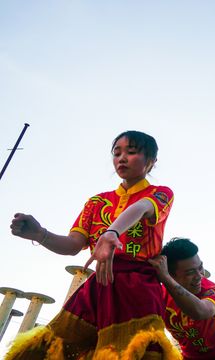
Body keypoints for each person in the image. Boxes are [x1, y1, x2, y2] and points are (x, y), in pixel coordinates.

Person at [7, 130, 180, 360]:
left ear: (151, 161)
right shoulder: (97, 202)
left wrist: (111, 233)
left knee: (132, 352)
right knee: (53, 349)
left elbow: (141, 209)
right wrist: (40, 234)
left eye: (131, 152)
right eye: (117, 153)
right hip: (98, 286)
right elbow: (72, 245)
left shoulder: (160, 194)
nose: (122, 158)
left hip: (138, 289)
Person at [149, 238, 215, 360]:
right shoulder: (159, 295)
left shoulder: (212, 289)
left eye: (200, 268)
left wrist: (165, 278)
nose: (199, 276)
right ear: (171, 274)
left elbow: (200, 312)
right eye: (190, 272)